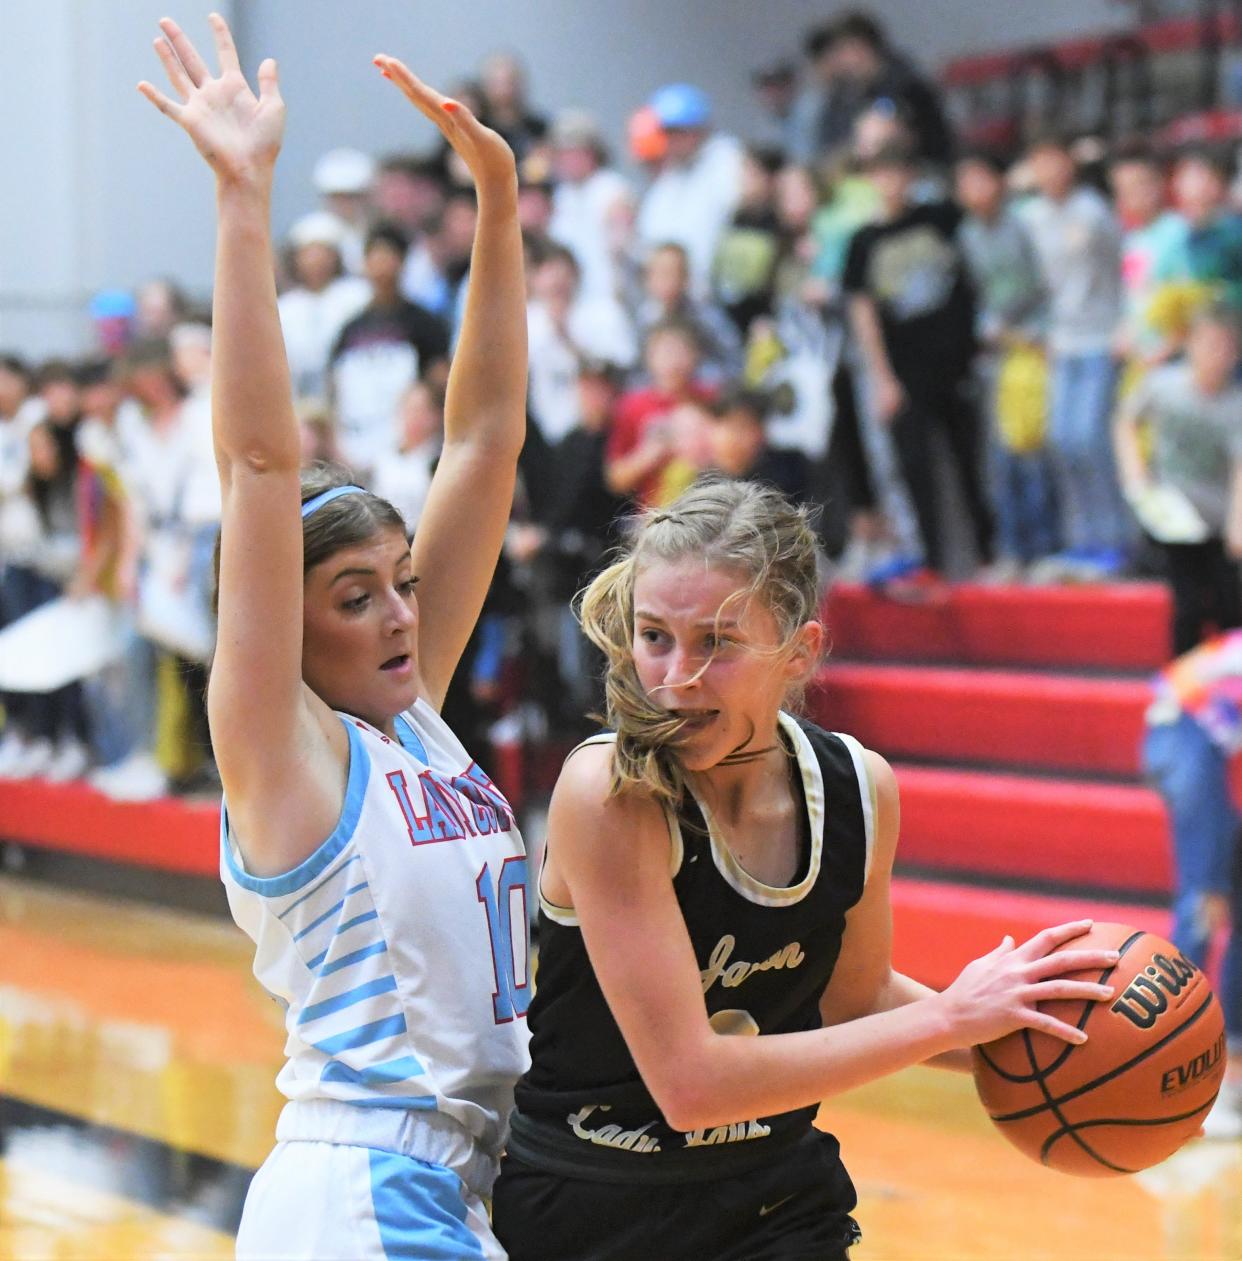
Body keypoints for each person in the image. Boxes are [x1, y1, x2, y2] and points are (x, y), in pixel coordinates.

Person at [490, 477, 1119, 1261]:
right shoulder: (609, 794)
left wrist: (1056, 1045)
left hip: (775, 1199)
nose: (676, 675)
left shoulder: (859, 788)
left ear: (801, 651)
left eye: (717, 641)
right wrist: (952, 1015)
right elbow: (691, 1085)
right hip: (592, 1207)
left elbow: (856, 999)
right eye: (655, 636)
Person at [138, 16, 528, 1259]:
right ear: (281, 627)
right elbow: (259, 463)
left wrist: (501, 208)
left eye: (402, 582)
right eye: (354, 596)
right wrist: (242, 199)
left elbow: (483, 442)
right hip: (363, 1192)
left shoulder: (411, 721)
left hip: (452, 1195)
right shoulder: (285, 751)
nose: (404, 613)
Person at [843, 141, 993, 584]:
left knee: (969, 461)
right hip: (905, 371)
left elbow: (975, 264)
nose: (890, 182)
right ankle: (931, 560)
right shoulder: (863, 241)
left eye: (898, 172)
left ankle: (985, 553)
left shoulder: (940, 218)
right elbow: (863, 311)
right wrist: (881, 377)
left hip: (955, 362)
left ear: (912, 176)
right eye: (880, 173)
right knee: (914, 467)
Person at [1143, 629, 1242, 1138]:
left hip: (1188, 735)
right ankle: (1170, 1067)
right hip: (1192, 739)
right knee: (1204, 904)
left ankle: (1199, 1072)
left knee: (1217, 903)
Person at [1020, 133, 1128, 579]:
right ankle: (1081, 540)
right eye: (1039, 161)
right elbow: (1028, 280)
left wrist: (1125, 325)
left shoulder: (1094, 210)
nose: (1048, 171)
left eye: (1055, 159)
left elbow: (1122, 269)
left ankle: (1116, 540)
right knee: (1062, 440)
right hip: (1058, 342)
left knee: (1091, 439)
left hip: (1100, 338)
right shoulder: (1028, 217)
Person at [1114, 305, 1242, 654]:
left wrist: (1237, 524)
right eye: (1210, 344)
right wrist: (1134, 471)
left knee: (1230, 609)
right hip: (1174, 517)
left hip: (1217, 524)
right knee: (1187, 609)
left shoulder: (1235, 405)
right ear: (1191, 345)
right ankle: (1178, 692)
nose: (1218, 355)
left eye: (1226, 347)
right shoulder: (1163, 386)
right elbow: (1125, 420)